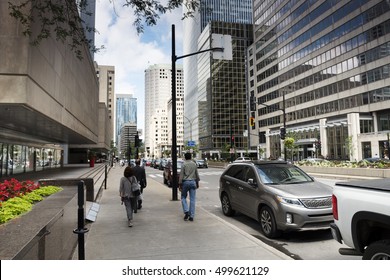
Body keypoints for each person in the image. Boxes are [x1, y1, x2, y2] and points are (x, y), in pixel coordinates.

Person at [179, 152, 200, 221]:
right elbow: (197, 174)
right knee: (192, 199)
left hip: (185, 182)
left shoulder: (183, 164)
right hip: (193, 182)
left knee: (183, 197)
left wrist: (180, 184)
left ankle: (186, 211)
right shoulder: (194, 164)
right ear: (191, 157)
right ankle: (191, 216)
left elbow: (181, 175)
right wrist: (197, 182)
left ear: (185, 157)